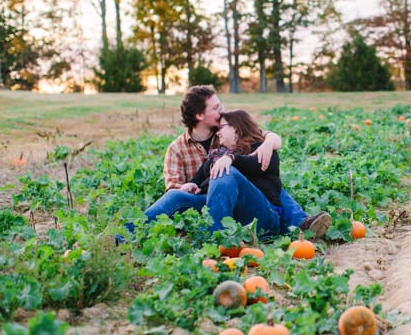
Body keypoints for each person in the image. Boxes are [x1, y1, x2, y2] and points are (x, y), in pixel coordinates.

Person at [132, 85, 330, 238]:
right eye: (216, 107)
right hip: (207, 204)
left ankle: (299, 222)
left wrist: (266, 143)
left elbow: (261, 139)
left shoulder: (242, 140)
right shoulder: (178, 149)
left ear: (236, 129)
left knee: (229, 172)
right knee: (177, 196)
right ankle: (126, 234)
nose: (222, 111)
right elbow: (181, 184)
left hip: (250, 204)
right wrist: (188, 186)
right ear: (200, 115)